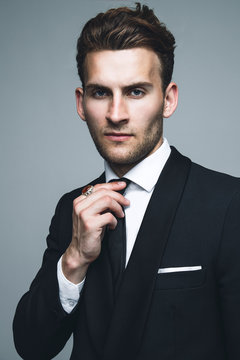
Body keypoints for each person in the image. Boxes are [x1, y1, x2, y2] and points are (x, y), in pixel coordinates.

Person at [13, 3, 240, 360]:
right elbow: (31, 347)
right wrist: (74, 259)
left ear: (168, 99)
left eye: (135, 92)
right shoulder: (71, 209)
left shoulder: (229, 204)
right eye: (101, 92)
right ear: (81, 102)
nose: (116, 115)